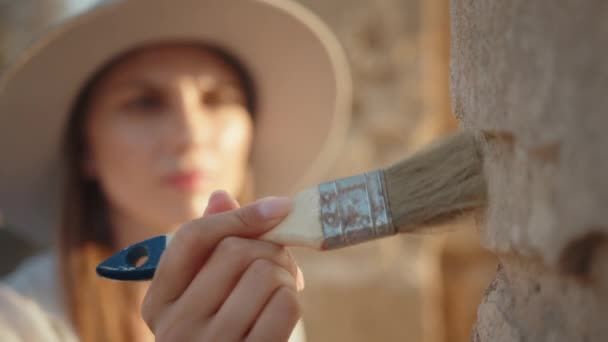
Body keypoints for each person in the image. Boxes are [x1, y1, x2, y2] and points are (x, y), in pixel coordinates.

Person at [0, 0, 352, 341]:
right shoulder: (17, 320)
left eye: (216, 99)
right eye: (145, 103)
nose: (191, 135)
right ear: (84, 150)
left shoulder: (261, 293)